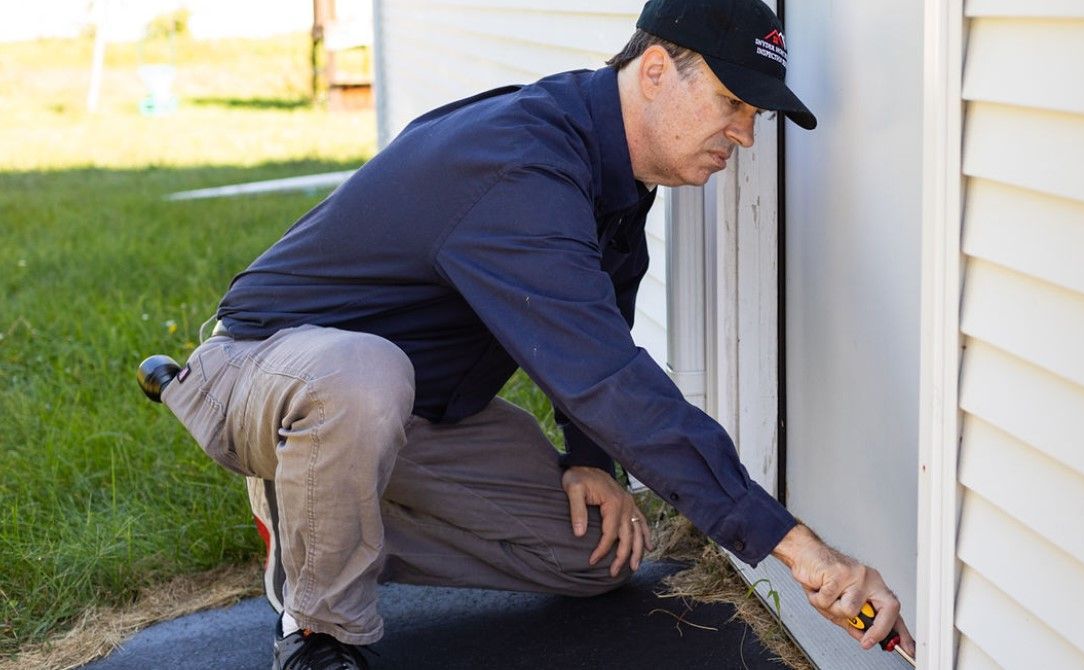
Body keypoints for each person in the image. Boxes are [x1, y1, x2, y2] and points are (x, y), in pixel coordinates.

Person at [145, 0, 915, 667]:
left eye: (755, 112)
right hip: (265, 376)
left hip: (415, 413)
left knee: (596, 556)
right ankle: (319, 627)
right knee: (361, 374)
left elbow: (598, 330)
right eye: (731, 102)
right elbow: (612, 380)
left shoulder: (613, 177)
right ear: (655, 71)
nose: (744, 133)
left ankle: (316, 520)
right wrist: (800, 550)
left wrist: (588, 459)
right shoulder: (522, 169)